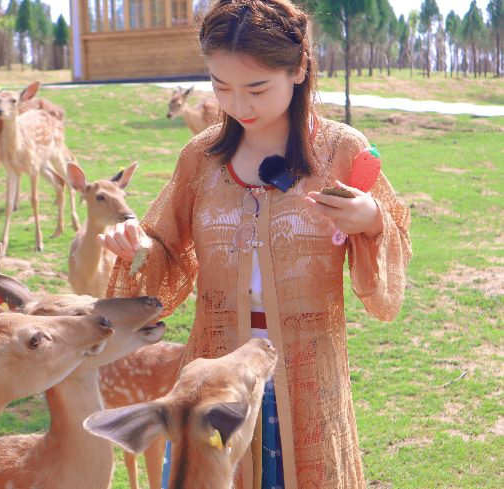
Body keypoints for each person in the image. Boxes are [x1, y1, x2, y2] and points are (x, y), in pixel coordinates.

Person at [98, 0, 412, 487]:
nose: (239, 106)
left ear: (301, 67)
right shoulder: (200, 158)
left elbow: (391, 236)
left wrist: (371, 222)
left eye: (257, 88)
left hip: (309, 369)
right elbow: (165, 251)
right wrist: (133, 247)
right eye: (221, 87)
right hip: (215, 371)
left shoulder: (341, 150)